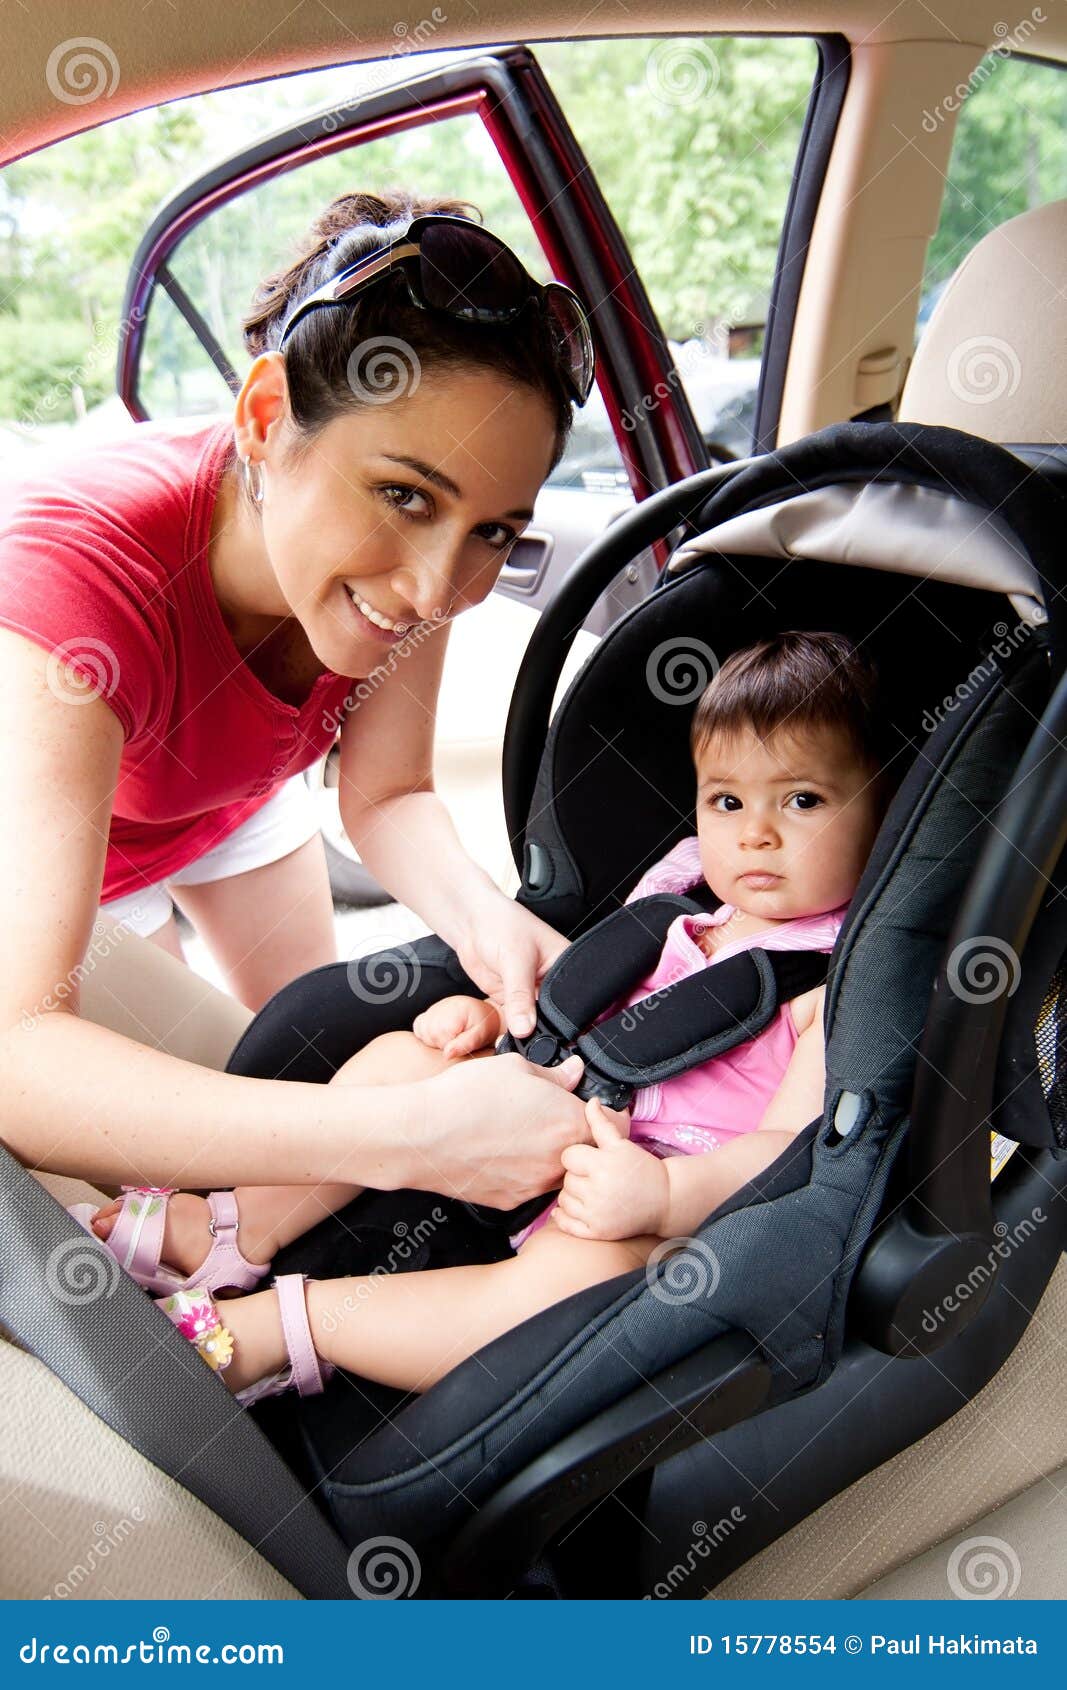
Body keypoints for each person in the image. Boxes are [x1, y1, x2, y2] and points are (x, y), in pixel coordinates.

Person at [0, 189, 602, 1212]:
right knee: (156, 1177)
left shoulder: (415, 570)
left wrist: (488, 926)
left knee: (287, 1066)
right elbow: (18, 1052)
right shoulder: (73, 584)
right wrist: (405, 1139)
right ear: (267, 418)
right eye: (403, 495)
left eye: (492, 530)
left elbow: (389, 792)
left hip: (226, 795)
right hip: (55, 840)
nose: (431, 589)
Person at [107, 630, 898, 1400]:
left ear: (881, 815)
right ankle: (235, 1229)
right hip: (535, 1098)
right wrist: (488, 1020)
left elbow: (780, 1154)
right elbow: (594, 995)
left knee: (580, 1283)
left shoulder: (837, 982)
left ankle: (286, 1328)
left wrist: (662, 1195)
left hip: (638, 1181)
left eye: (803, 800)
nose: (754, 833)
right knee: (397, 1060)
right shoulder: (682, 892)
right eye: (726, 800)